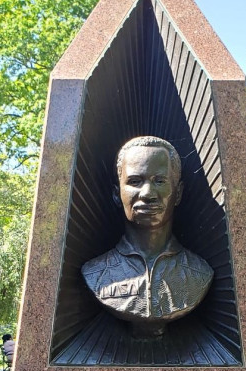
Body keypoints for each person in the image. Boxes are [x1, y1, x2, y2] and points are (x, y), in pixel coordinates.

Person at [80, 136, 213, 337]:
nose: (148, 194)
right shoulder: (95, 273)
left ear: (178, 194)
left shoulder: (199, 273)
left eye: (159, 181)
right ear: (117, 194)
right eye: (135, 181)